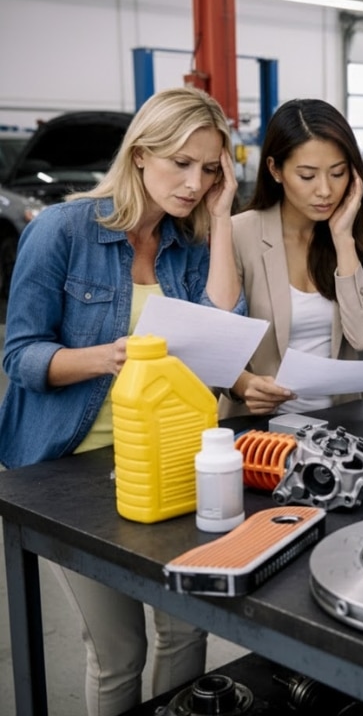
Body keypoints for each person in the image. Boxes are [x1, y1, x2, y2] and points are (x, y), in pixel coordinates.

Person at [0, 86, 246, 715]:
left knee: (186, 628)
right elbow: (20, 355)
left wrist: (220, 222)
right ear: (140, 155)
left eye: (210, 168)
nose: (195, 182)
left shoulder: (187, 243)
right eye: (181, 163)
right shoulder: (63, 230)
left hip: (164, 461)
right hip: (68, 468)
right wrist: (109, 356)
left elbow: (224, 324)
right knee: (119, 653)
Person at [218, 98, 363, 418]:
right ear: (275, 170)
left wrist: (343, 240)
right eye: (307, 176)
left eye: (337, 173)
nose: (325, 190)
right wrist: (244, 384)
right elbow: (217, 343)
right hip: (260, 431)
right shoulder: (239, 234)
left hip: (344, 425)